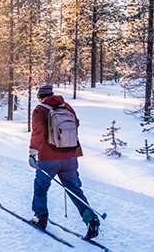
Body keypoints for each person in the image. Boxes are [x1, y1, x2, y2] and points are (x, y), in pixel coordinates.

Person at [28, 84, 100, 239]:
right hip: (70, 156)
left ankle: (40, 218)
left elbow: (38, 132)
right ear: (51, 94)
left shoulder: (40, 110)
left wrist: (33, 152)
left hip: (48, 158)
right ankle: (91, 219)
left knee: (41, 187)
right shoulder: (66, 106)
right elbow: (76, 123)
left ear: (40, 97)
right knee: (74, 189)